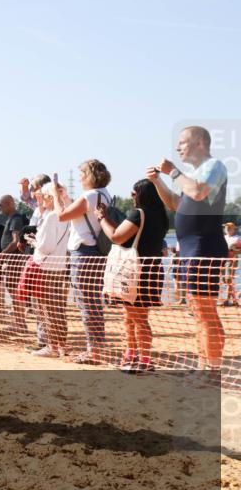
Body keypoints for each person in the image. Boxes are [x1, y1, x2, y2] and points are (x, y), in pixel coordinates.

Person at [149, 125, 229, 382]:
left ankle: (212, 371)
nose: (177, 147)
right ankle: (203, 366)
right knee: (197, 309)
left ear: (198, 143)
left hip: (204, 246)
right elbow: (176, 202)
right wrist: (157, 181)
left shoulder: (214, 166)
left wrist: (172, 170)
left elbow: (197, 192)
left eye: (182, 142)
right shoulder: (194, 173)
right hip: (192, 248)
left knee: (205, 311)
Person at [96, 179, 169, 374]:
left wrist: (102, 217)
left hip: (136, 272)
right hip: (151, 270)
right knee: (133, 317)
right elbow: (122, 232)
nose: (131, 196)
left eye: (134, 192)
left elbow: (116, 237)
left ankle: (142, 360)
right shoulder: (161, 216)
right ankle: (132, 356)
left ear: (142, 195)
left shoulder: (138, 214)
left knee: (137, 318)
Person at [55, 159, 113, 365]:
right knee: (93, 301)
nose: (79, 178)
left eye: (81, 174)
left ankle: (93, 351)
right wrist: (65, 196)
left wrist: (55, 196)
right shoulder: (105, 194)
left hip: (83, 252)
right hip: (97, 251)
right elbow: (79, 213)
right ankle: (97, 347)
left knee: (85, 303)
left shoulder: (89, 195)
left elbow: (62, 216)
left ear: (89, 175)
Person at [22, 183, 71, 358]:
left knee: (47, 308)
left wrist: (34, 242)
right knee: (58, 307)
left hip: (46, 266)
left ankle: (52, 346)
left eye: (43, 195)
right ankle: (61, 345)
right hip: (59, 266)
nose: (40, 198)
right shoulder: (64, 215)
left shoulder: (51, 216)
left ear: (50, 197)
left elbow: (45, 246)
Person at [0, 194, 28, 330]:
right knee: (13, 289)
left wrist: (2, 255)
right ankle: (20, 322)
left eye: (1, 205)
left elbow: (15, 241)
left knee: (14, 290)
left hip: (14, 260)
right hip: (12, 259)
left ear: (10, 204)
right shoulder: (12, 218)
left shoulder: (15, 219)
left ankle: (20, 323)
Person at [223, 222, 240, 306]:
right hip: (222, 260)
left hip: (232, 260)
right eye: (226, 228)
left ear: (233, 229)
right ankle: (234, 300)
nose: (227, 229)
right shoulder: (223, 238)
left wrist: (233, 250)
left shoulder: (238, 238)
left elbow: (239, 251)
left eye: (229, 228)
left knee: (228, 279)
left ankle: (227, 300)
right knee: (225, 281)